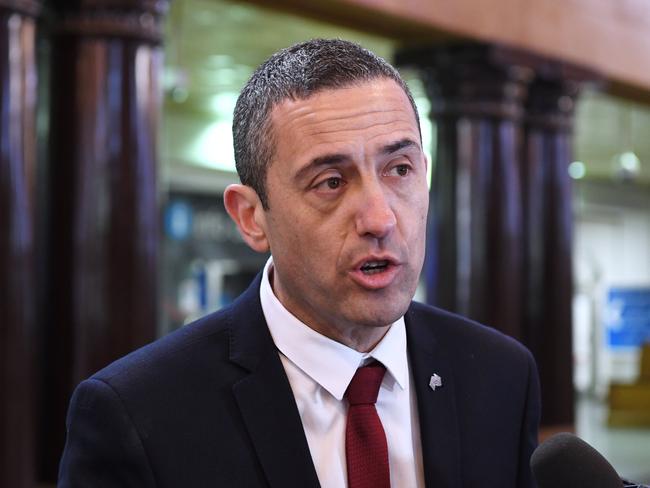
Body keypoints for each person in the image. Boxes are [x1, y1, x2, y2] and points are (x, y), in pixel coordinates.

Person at [59, 39, 540, 488]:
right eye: (330, 182)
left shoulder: (500, 376)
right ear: (251, 217)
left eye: (399, 170)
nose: (379, 218)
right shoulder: (138, 414)